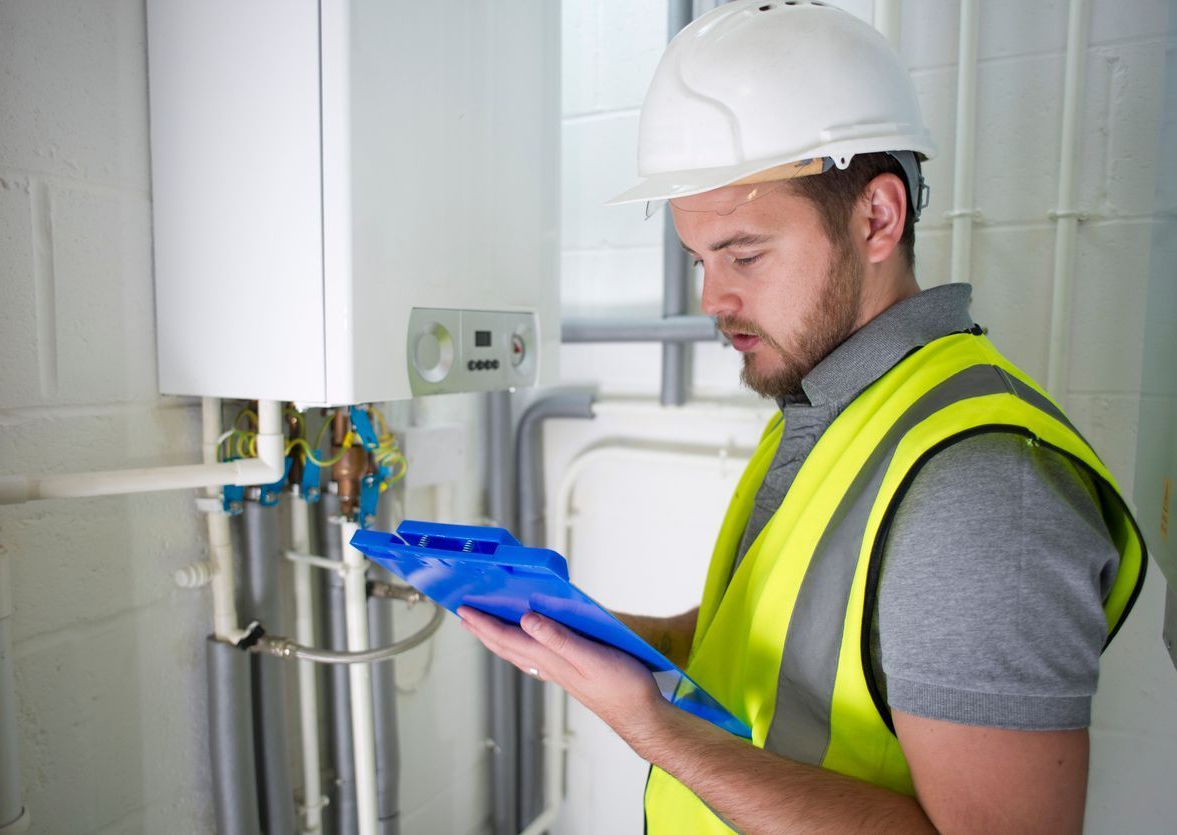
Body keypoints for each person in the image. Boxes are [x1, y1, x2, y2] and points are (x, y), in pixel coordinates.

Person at [459, 3, 1147, 832]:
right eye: (700, 259)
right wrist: (602, 636)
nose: (711, 299)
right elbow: (782, 657)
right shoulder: (830, 405)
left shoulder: (979, 492)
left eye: (745, 254)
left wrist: (648, 724)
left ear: (876, 218)